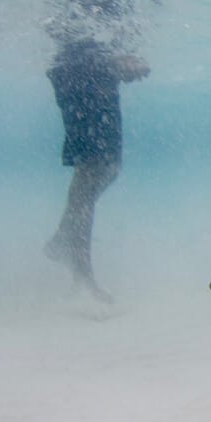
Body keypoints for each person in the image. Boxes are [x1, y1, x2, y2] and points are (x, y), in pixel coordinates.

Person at [44, 38, 149, 302]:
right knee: (93, 170)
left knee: (107, 167)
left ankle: (65, 241)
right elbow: (79, 42)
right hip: (81, 78)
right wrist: (113, 62)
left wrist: (116, 62)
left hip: (87, 78)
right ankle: (82, 274)